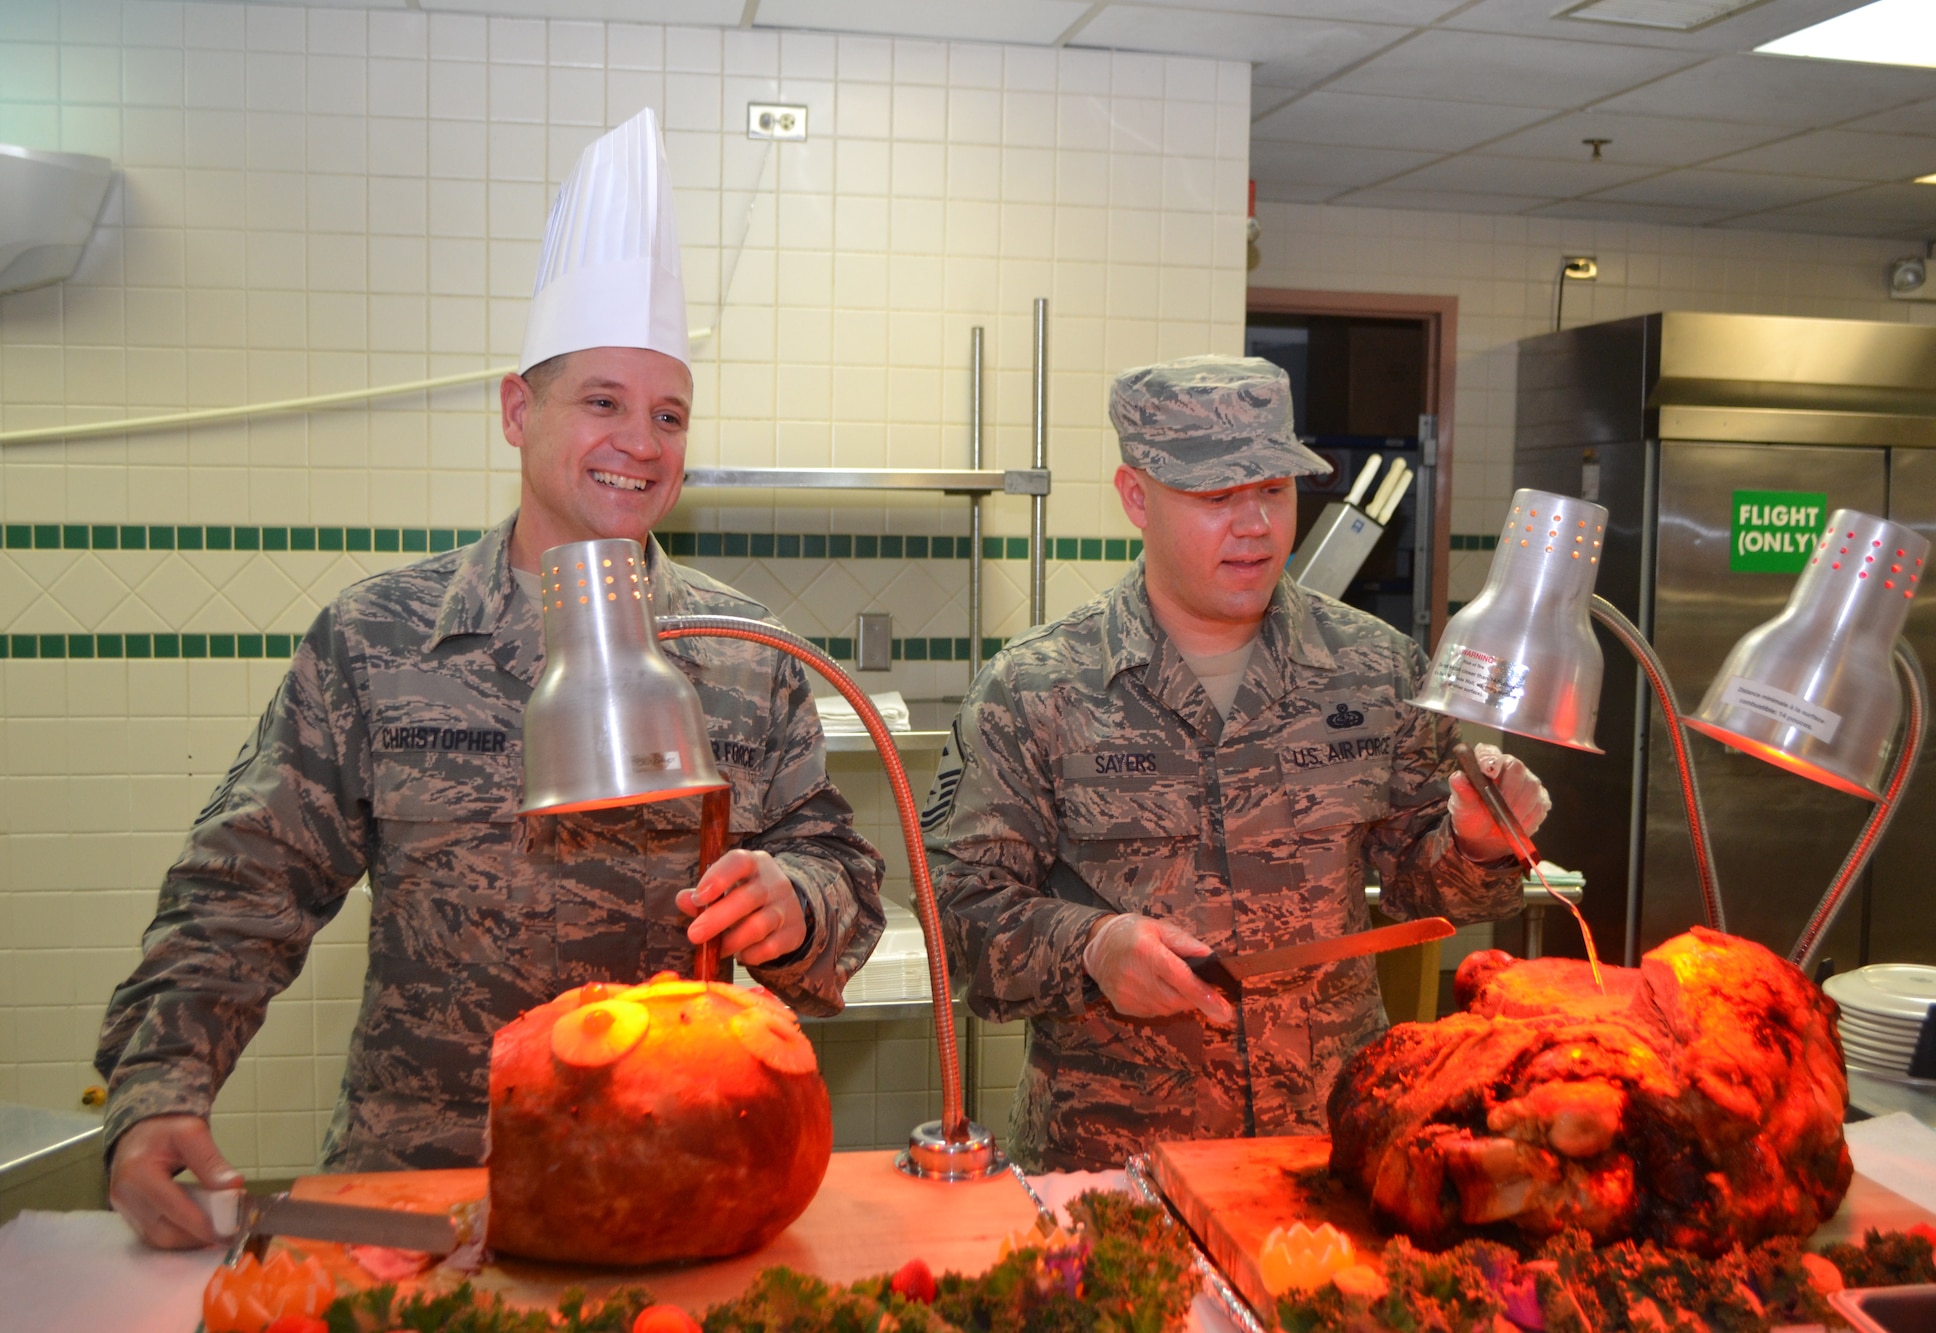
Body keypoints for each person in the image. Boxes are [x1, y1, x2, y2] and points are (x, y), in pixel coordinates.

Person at [97, 109, 886, 1248]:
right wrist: (159, 1084)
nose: (641, 442)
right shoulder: (380, 639)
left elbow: (842, 877)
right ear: (520, 410)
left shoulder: (739, 649)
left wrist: (794, 900)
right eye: (602, 403)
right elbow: (242, 884)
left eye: (668, 414)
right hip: (424, 1193)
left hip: (672, 1184)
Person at [921, 355, 1550, 1172]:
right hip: (1113, 1164)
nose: (1255, 524)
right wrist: (1093, 948)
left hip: (1327, 1151)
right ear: (1136, 497)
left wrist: (1475, 842)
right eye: (1218, 497)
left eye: (1275, 491)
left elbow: (1418, 884)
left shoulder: (1376, 668)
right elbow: (956, 912)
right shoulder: (1037, 687)